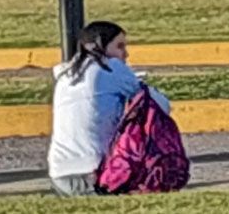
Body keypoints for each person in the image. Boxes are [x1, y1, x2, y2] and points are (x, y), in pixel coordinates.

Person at [47, 21, 171, 197]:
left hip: (59, 173)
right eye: (120, 46)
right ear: (99, 45)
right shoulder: (110, 67)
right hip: (95, 171)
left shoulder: (65, 75)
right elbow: (162, 105)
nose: (125, 54)